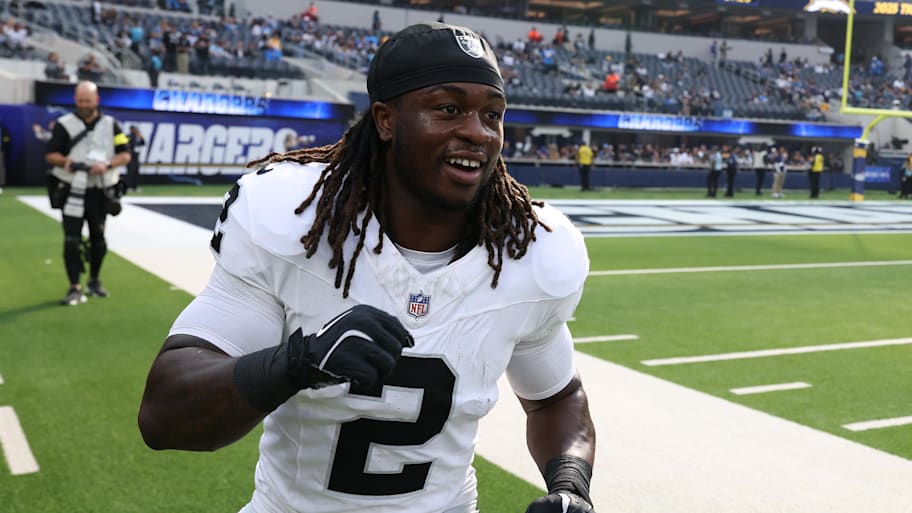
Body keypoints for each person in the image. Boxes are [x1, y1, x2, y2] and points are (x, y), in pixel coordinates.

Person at [138, 22, 596, 513]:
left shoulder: (529, 251)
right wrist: (295, 363)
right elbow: (164, 417)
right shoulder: (294, 223)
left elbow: (555, 397)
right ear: (385, 119)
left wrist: (570, 483)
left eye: (492, 115)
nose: (476, 131)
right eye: (448, 109)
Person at [44, 80, 132, 306]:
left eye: (88, 101)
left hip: (99, 189)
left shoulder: (111, 124)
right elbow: (51, 154)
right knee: (71, 240)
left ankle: (94, 280)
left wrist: (107, 164)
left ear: (96, 100)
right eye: (80, 100)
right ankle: (74, 286)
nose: (84, 105)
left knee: (98, 240)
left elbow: (125, 154)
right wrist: (67, 162)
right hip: (71, 188)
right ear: (75, 99)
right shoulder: (64, 124)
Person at [126, 125, 145, 192]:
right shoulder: (128, 136)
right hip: (130, 157)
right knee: (130, 172)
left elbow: (143, 143)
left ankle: (135, 187)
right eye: (133, 129)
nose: (135, 131)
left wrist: (141, 138)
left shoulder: (138, 136)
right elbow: (127, 145)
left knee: (136, 172)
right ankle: (129, 186)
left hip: (136, 157)